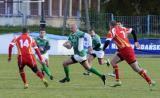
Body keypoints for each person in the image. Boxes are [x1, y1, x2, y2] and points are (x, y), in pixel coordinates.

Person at [103, 21, 155, 90]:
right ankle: (118, 81)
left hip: (126, 51)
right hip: (124, 50)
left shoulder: (112, 30)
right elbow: (132, 30)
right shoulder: (122, 28)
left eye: (109, 26)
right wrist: (136, 41)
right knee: (113, 62)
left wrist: (102, 49)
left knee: (136, 68)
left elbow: (107, 41)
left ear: (110, 25)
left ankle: (150, 81)